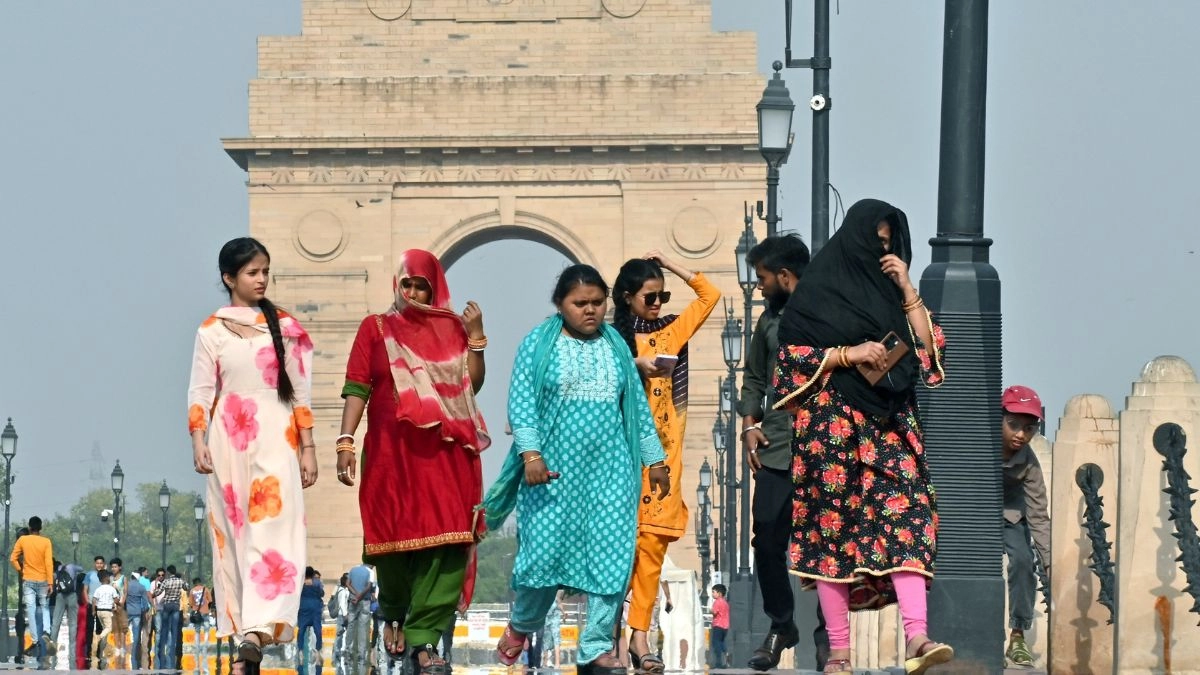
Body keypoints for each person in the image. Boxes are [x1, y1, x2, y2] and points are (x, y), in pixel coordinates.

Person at [774, 199, 949, 675]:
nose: (882, 253)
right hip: (829, 431)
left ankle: (917, 636)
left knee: (909, 516)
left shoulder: (894, 294)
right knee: (831, 539)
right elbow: (791, 357)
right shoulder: (817, 293)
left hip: (890, 426)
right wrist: (847, 355)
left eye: (890, 245)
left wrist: (907, 287)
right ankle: (839, 654)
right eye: (876, 243)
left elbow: (930, 355)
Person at [485, 264, 669, 675]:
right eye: (580, 303)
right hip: (551, 475)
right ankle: (522, 625)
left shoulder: (616, 346)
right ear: (559, 304)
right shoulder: (538, 344)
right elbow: (522, 404)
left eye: (597, 303)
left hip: (611, 473)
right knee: (543, 561)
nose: (590, 311)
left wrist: (654, 459)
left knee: (612, 558)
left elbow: (636, 406)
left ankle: (596, 648)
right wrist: (531, 455)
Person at [334, 248, 489, 675]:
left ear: (435, 288)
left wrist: (474, 336)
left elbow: (470, 383)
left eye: (424, 284)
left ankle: (422, 642)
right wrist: (345, 440)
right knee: (392, 543)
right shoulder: (376, 328)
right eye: (409, 284)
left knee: (447, 543)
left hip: (444, 454)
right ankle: (395, 613)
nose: (416, 292)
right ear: (397, 285)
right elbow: (357, 385)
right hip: (390, 456)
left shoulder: (451, 330)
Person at [189, 237, 318, 673]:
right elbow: (202, 390)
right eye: (251, 272)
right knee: (236, 534)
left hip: (278, 437)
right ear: (229, 278)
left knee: (276, 533)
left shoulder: (288, 327)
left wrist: (310, 447)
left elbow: (300, 391)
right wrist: (198, 438)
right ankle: (249, 634)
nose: (261, 279)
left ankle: (258, 630)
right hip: (229, 439)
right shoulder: (210, 330)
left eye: (265, 270)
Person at [611, 251, 720, 674]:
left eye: (662, 295)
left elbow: (709, 294)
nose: (657, 304)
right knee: (619, 551)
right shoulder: (610, 341)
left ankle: (639, 636)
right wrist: (633, 368)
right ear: (626, 298)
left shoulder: (673, 330)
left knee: (652, 549)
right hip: (620, 462)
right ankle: (611, 636)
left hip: (664, 464)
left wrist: (671, 263)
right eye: (649, 297)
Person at [737, 234, 830, 671]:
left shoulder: (831, 316)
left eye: (763, 278)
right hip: (775, 447)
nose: (758, 286)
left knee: (826, 541)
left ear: (786, 277)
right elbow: (754, 375)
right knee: (768, 538)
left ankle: (829, 635)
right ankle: (781, 625)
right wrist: (748, 426)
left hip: (825, 447)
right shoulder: (766, 323)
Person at [999, 385, 1051, 668]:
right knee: (978, 566)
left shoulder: (1030, 464)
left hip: (1011, 516)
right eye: (1013, 425)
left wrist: (1050, 563)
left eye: (1029, 428)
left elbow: (1039, 515)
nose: (1020, 434)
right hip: (975, 516)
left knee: (1022, 560)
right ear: (1000, 418)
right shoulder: (982, 442)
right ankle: (985, 632)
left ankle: (1017, 635)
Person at [10, 517, 54, 665]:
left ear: (29, 527)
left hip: (28, 580)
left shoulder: (23, 540)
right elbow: (49, 563)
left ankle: (35, 639)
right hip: (43, 580)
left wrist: (21, 570)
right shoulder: (46, 541)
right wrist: (50, 582)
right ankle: (47, 631)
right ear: (40, 528)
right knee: (44, 607)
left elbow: (13, 558)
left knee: (31, 609)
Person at [51, 559, 83, 668]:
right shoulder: (71, 567)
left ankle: (52, 656)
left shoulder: (58, 571)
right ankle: (72, 657)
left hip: (60, 596)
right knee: (73, 625)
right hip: (72, 596)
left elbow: (54, 579)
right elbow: (82, 569)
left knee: (55, 624)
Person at [153, 566, 186, 668]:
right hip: (176, 606)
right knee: (174, 629)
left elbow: (157, 593)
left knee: (165, 628)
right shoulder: (180, 581)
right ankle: (172, 651)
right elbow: (187, 587)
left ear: (168, 572)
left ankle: (162, 649)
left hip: (167, 605)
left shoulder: (166, 582)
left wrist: (154, 592)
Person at [91, 569, 119, 670]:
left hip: (99, 611)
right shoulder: (111, 589)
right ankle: (99, 638)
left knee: (105, 630)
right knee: (109, 628)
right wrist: (118, 602)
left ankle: (102, 653)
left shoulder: (98, 589)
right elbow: (116, 600)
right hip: (107, 611)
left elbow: (94, 600)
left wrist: (93, 611)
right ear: (107, 578)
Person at [125, 569, 152, 671]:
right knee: (136, 637)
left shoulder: (127, 585)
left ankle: (123, 655)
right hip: (137, 613)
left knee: (123, 634)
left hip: (127, 612)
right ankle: (135, 663)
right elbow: (145, 603)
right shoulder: (141, 587)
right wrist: (145, 611)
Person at [108, 558, 129, 669]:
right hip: (112, 606)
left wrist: (121, 603)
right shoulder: (110, 578)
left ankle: (122, 648)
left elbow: (125, 592)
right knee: (115, 628)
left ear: (120, 567)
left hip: (121, 605)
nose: (113, 569)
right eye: (112, 567)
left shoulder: (123, 578)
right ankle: (117, 648)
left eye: (115, 566)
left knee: (122, 629)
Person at [190, 578, 213, 674]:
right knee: (207, 629)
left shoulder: (192, 591)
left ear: (194, 583)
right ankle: (205, 643)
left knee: (197, 630)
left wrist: (195, 609)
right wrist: (208, 609)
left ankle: (197, 644)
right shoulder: (206, 589)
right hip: (205, 612)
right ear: (200, 582)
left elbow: (191, 603)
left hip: (197, 613)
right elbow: (210, 600)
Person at [709, 584, 729, 668]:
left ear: (719, 593)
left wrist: (710, 610)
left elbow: (715, 612)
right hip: (725, 626)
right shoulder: (725, 602)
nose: (712, 594)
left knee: (716, 642)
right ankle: (726, 653)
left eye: (714, 592)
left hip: (718, 625)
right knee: (721, 641)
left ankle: (719, 662)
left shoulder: (717, 602)